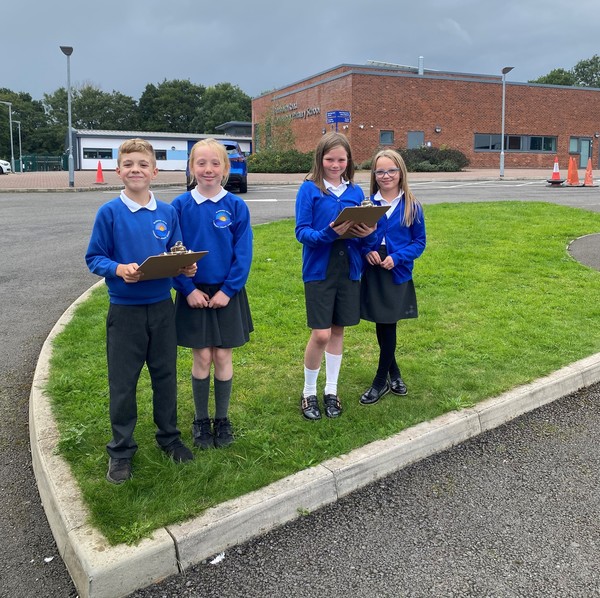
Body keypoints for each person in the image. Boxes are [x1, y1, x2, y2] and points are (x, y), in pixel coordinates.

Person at [85, 138, 196, 485]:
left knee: (165, 376)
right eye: (129, 164)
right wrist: (119, 270)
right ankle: (121, 451)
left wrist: (185, 267)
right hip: (126, 312)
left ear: (154, 171)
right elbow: (94, 258)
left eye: (143, 164)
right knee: (123, 383)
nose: (136, 169)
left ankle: (169, 438)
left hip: (162, 308)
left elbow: (175, 252)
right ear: (118, 171)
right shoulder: (110, 213)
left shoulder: (167, 212)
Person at [172, 139, 253, 450]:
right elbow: (173, 254)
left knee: (222, 355)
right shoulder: (179, 207)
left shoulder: (235, 206)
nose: (208, 169)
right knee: (202, 356)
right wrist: (187, 290)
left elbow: (242, 254)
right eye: (201, 163)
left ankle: (222, 419)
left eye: (215, 163)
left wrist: (228, 290)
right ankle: (200, 421)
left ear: (226, 169)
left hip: (226, 294)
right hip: (193, 294)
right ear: (191, 168)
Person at [295, 131, 375, 420]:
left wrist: (369, 232)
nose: (335, 164)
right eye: (330, 159)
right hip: (319, 268)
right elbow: (302, 232)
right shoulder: (310, 189)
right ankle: (308, 393)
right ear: (320, 158)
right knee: (321, 334)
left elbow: (363, 236)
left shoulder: (354, 192)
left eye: (341, 159)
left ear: (348, 161)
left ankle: (331, 391)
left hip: (349, 268)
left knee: (338, 331)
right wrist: (330, 233)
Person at [359, 149, 426, 405]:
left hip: (396, 270)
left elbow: (419, 243)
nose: (386, 176)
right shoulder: (368, 204)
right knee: (382, 322)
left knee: (389, 323)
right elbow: (360, 238)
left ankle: (380, 381)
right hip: (374, 269)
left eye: (391, 170)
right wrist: (367, 251)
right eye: (380, 171)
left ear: (401, 173)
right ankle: (394, 374)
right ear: (374, 175)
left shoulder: (412, 205)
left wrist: (397, 258)